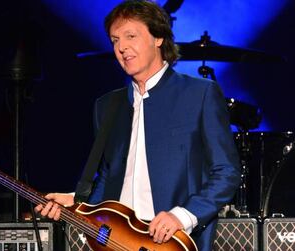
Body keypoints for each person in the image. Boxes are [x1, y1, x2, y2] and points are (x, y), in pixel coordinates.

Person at [35, 1, 241, 250]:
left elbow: (227, 172)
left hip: (174, 243)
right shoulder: (107, 105)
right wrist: (76, 201)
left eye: (130, 36)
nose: (121, 47)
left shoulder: (200, 94)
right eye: (114, 40)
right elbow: (110, 178)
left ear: (158, 38)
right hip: (117, 243)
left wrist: (183, 215)